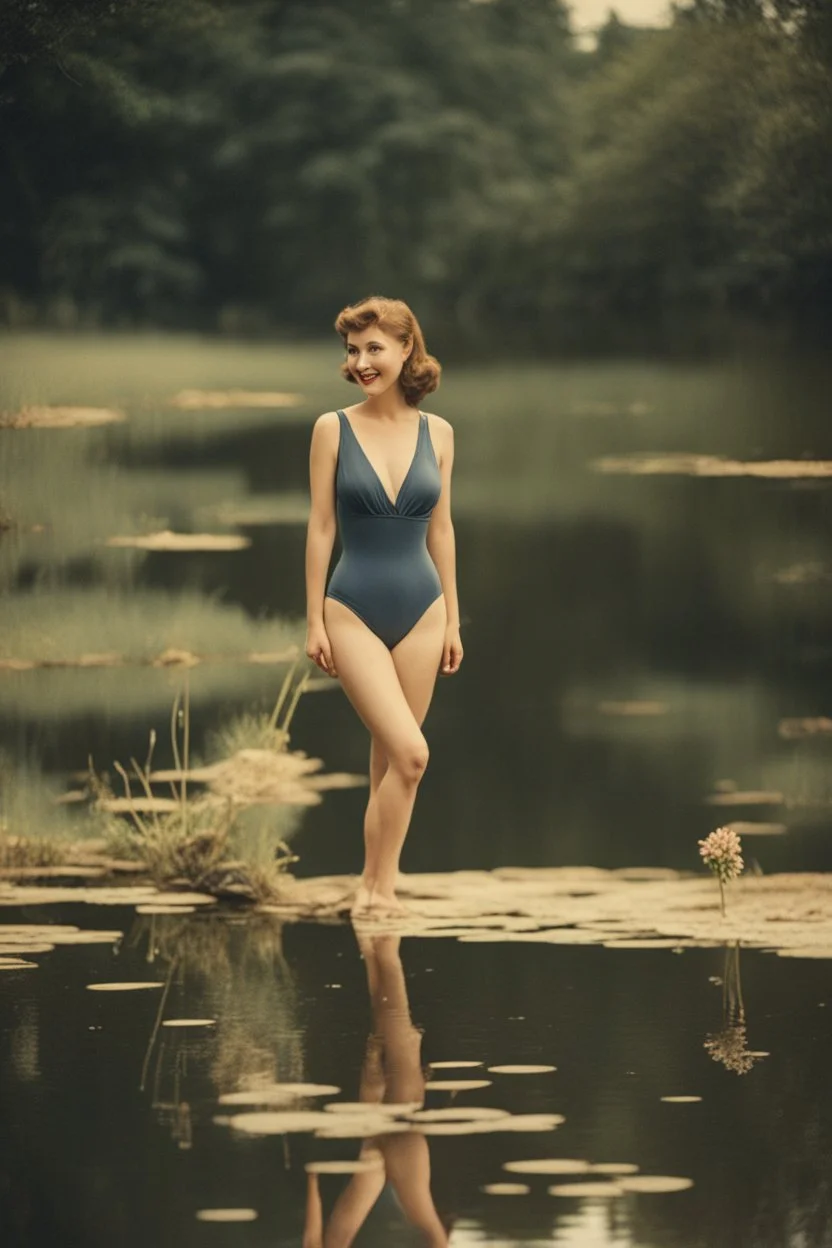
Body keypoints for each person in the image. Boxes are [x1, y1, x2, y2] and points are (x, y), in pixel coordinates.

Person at [304, 295, 463, 919]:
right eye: (353, 350)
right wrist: (314, 617)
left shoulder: (440, 433)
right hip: (353, 610)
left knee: (390, 765)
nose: (363, 362)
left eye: (375, 348)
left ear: (406, 350)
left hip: (424, 610)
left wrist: (452, 616)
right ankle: (378, 888)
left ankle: (374, 891)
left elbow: (443, 529)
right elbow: (320, 528)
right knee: (413, 754)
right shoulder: (331, 428)